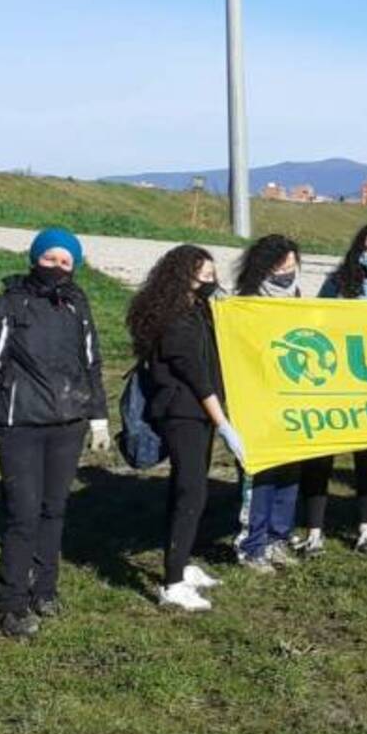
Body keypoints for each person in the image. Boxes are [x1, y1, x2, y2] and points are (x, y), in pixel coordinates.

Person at [0, 226, 111, 639]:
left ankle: (44, 590)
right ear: (35, 259)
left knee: (55, 510)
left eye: (66, 261)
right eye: (50, 258)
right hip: (21, 426)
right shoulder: (6, 307)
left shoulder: (77, 308)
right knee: (23, 515)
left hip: (68, 425)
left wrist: (97, 417)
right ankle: (11, 605)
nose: (57, 267)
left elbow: (92, 365)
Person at [127, 244, 244, 613]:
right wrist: (222, 422)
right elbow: (196, 376)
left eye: (212, 275)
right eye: (203, 276)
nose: (210, 282)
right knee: (190, 491)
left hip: (198, 414)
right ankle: (172, 582)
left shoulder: (196, 311)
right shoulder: (176, 321)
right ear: (182, 277)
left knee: (190, 488)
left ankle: (183, 560)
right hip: (184, 414)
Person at [298, 222, 367, 555]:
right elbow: (316, 322)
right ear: (357, 251)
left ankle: (366, 528)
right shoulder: (337, 283)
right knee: (321, 456)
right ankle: (314, 531)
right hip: (337, 383)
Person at [230, 234, 304, 572]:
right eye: (280, 266)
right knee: (260, 474)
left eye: (292, 265)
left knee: (290, 472)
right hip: (256, 402)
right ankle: (252, 544)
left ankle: (278, 536)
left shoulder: (300, 298)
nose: (287, 272)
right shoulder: (244, 302)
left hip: (292, 399)